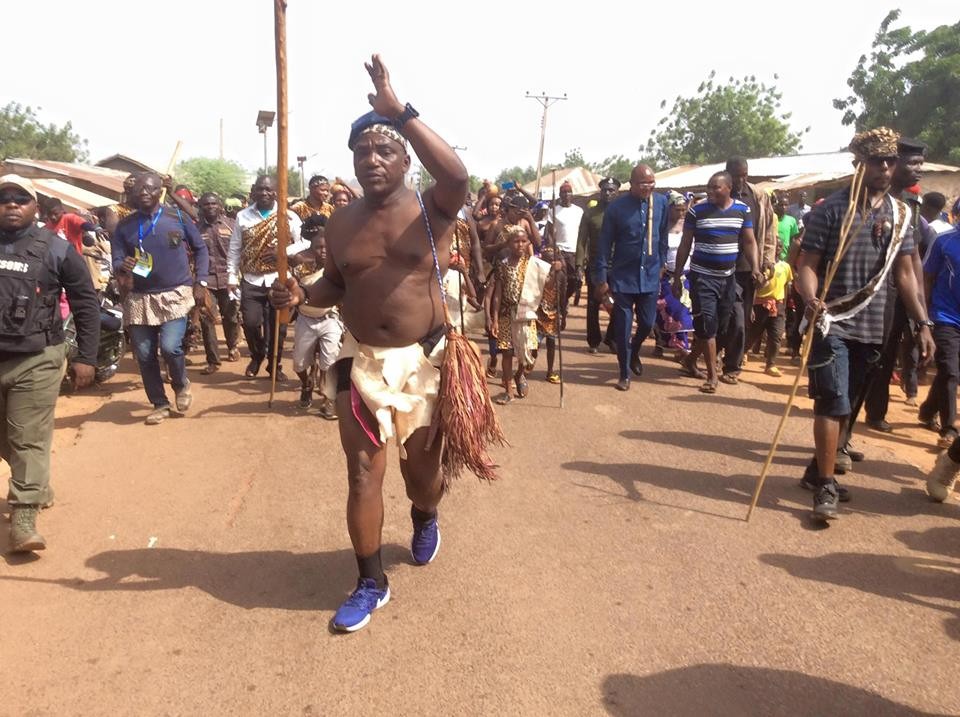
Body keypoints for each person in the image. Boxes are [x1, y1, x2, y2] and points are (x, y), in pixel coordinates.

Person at [270, 55, 470, 632]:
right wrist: (298, 295)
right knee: (361, 473)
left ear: (406, 160)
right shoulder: (339, 222)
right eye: (363, 152)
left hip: (426, 360)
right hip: (358, 361)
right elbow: (335, 283)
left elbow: (458, 177)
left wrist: (399, 112)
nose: (372, 159)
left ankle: (425, 514)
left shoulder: (432, 209)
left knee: (423, 475)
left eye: (385, 150)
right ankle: (370, 581)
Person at [794, 127, 934, 521]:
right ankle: (825, 486)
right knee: (831, 400)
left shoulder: (902, 214)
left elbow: (906, 274)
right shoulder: (831, 210)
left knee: (848, 406)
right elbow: (807, 265)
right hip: (830, 321)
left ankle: (814, 470)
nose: (886, 168)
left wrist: (922, 323)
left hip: (874, 324)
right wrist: (811, 299)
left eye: (891, 162)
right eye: (878, 162)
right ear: (860, 164)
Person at [0, 175, 100, 553]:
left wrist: (86, 358)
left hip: (38, 358)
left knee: (27, 436)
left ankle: (24, 515)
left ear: (34, 207)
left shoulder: (57, 249)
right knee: (8, 438)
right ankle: (37, 483)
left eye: (20, 199)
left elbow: (85, 303)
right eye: (4, 198)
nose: (11, 204)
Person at [112, 173, 210, 425]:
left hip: (175, 294)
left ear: (160, 191)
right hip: (139, 297)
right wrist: (123, 264)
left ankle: (181, 384)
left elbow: (200, 249)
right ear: (133, 194)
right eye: (140, 189)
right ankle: (159, 403)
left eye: (150, 188)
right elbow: (116, 259)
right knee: (144, 355)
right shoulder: (125, 226)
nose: (144, 192)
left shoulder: (176, 217)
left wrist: (201, 282)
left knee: (170, 347)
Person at [672, 171, 763, 394]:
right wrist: (676, 276)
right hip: (702, 277)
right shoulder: (697, 210)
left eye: (716, 187)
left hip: (728, 278)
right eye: (709, 187)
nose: (711, 191)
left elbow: (749, 241)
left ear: (728, 188)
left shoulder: (742, 210)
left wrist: (756, 268)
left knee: (724, 324)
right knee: (708, 325)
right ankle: (712, 376)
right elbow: (685, 243)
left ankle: (690, 360)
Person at [862, 138, 932, 429]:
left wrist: (921, 311)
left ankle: (876, 411)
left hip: (899, 289)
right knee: (869, 356)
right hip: (868, 291)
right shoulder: (870, 198)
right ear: (893, 163)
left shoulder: (910, 205)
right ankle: (854, 418)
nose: (918, 170)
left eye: (921, 164)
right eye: (912, 163)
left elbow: (913, 255)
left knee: (888, 354)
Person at [592, 165, 669, 391]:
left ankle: (635, 351)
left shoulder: (661, 203)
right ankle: (624, 373)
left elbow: (662, 235)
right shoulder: (617, 208)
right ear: (632, 184)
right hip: (623, 277)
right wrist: (601, 277)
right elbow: (604, 245)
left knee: (647, 323)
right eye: (643, 183)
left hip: (651, 275)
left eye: (651, 182)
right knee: (623, 327)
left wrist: (662, 262)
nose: (648, 187)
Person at [227, 175, 307, 382]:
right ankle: (257, 355)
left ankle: (274, 365)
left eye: (269, 190)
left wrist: (283, 251)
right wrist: (231, 276)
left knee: (279, 328)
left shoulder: (288, 216)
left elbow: (304, 242)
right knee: (251, 323)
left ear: (276, 192)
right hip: (252, 280)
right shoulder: (243, 216)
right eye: (260, 189)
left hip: (279, 280)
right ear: (254, 191)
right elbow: (235, 247)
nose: (264, 193)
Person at [718, 157, 777, 384]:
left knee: (740, 319)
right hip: (720, 267)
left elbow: (770, 230)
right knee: (721, 317)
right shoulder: (720, 194)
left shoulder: (759, 197)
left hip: (747, 270)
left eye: (745, 175)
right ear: (727, 173)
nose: (741, 180)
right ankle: (704, 352)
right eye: (736, 175)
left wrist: (767, 261)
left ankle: (732, 365)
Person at [292, 215, 342, 419]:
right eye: (318, 247)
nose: (322, 251)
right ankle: (306, 384)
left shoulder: (336, 268)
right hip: (305, 318)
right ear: (311, 248)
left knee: (329, 362)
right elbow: (291, 289)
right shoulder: (300, 266)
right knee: (299, 363)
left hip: (330, 318)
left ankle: (329, 400)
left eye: (326, 248)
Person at [918, 226, 960, 447]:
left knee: (948, 372)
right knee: (950, 370)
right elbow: (926, 277)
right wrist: (924, 317)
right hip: (945, 316)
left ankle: (928, 409)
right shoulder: (944, 241)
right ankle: (950, 429)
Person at [488, 225, 540, 403]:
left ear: (527, 243)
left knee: (531, 353)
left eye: (523, 241)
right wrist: (494, 319)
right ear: (508, 244)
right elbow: (498, 294)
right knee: (507, 352)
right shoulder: (502, 266)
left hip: (526, 313)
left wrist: (556, 270)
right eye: (516, 241)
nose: (520, 245)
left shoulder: (532, 264)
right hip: (506, 314)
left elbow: (546, 283)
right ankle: (508, 390)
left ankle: (520, 375)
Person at [196, 192, 240, 374]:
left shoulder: (231, 225)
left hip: (228, 279)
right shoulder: (196, 229)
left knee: (230, 317)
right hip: (207, 280)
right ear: (201, 208)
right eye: (206, 204)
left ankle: (232, 346)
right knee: (207, 320)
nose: (210, 207)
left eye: (214, 203)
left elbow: (239, 250)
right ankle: (213, 360)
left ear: (220, 206)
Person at [576, 177, 618, 354]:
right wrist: (579, 264)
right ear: (600, 191)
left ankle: (612, 337)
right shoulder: (591, 213)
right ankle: (593, 340)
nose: (607, 193)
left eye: (611, 190)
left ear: (617, 192)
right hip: (595, 265)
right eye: (605, 190)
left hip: (618, 266)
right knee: (594, 303)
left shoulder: (622, 212)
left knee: (618, 303)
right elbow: (581, 240)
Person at [654, 191, 694, 358]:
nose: (681, 213)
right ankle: (662, 342)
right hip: (666, 277)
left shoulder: (689, 227)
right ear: (669, 209)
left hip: (686, 277)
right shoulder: (661, 229)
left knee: (682, 311)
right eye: (677, 209)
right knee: (665, 311)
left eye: (683, 209)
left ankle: (682, 344)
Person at [745, 243, 793, 377]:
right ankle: (741, 354)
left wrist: (783, 305)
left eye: (779, 246)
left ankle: (771, 364)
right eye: (775, 245)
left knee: (776, 336)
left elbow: (785, 286)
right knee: (753, 334)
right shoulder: (760, 266)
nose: (777, 248)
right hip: (760, 304)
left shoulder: (785, 267)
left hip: (778, 306)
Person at [548, 181, 584, 325]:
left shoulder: (579, 211)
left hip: (576, 251)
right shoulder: (554, 211)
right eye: (563, 193)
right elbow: (549, 233)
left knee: (576, 281)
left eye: (569, 192)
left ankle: (564, 301)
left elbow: (583, 232)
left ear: (572, 195)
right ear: (560, 195)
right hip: (561, 251)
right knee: (561, 282)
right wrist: (554, 247)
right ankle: (560, 310)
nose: (566, 195)